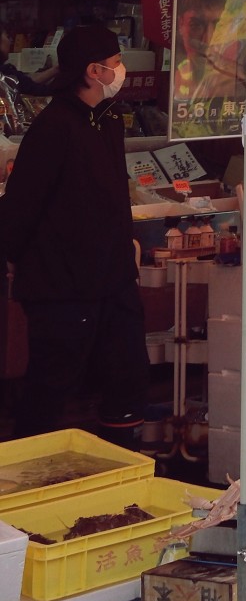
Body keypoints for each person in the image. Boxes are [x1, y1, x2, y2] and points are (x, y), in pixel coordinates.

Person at [0, 23, 150, 443]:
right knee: (52, 387)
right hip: (62, 287)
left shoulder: (110, 119)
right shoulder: (53, 128)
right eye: (116, 63)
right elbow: (20, 207)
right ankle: (28, 483)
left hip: (114, 279)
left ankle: (120, 466)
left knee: (127, 378)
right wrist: (14, 260)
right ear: (92, 71)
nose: (121, 70)